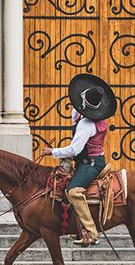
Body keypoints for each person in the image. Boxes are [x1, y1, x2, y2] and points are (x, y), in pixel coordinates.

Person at [41, 74, 117, 247]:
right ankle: (75, 227)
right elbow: (75, 112)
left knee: (72, 191)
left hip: (91, 163)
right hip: (89, 159)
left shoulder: (87, 124)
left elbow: (75, 149)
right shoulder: (93, 117)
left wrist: (52, 151)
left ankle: (92, 232)